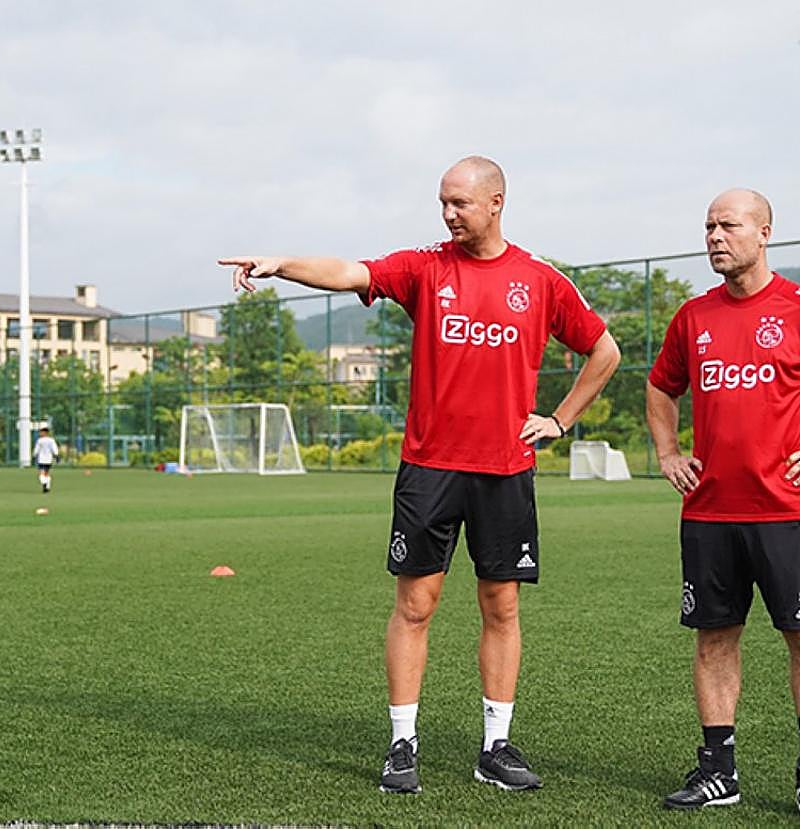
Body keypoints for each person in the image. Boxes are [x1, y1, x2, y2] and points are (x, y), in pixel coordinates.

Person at [219, 156, 620, 794]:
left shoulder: (540, 281)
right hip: (429, 468)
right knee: (415, 606)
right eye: (442, 202)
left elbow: (605, 349)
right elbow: (351, 270)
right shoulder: (425, 267)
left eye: (460, 203)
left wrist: (561, 419)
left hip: (504, 470)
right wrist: (282, 265)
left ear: (496, 203)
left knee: (502, 605)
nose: (448, 214)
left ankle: (497, 746)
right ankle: (402, 743)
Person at [647, 189, 800, 811]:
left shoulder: (795, 308)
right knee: (714, 638)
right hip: (709, 512)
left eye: (728, 225)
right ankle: (718, 772)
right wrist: (667, 453)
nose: (714, 236)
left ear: (764, 232)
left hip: (787, 512)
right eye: (708, 225)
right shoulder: (693, 317)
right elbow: (661, 389)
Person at [34, 427, 59, 493]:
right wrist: (56, 455)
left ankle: (45, 483)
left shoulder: (40, 440)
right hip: (49, 459)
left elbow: (37, 449)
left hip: (41, 459)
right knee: (46, 473)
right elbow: (54, 448)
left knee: (42, 473)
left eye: (41, 432)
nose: (40, 433)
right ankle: (47, 486)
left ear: (45, 433)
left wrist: (34, 454)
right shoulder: (51, 440)